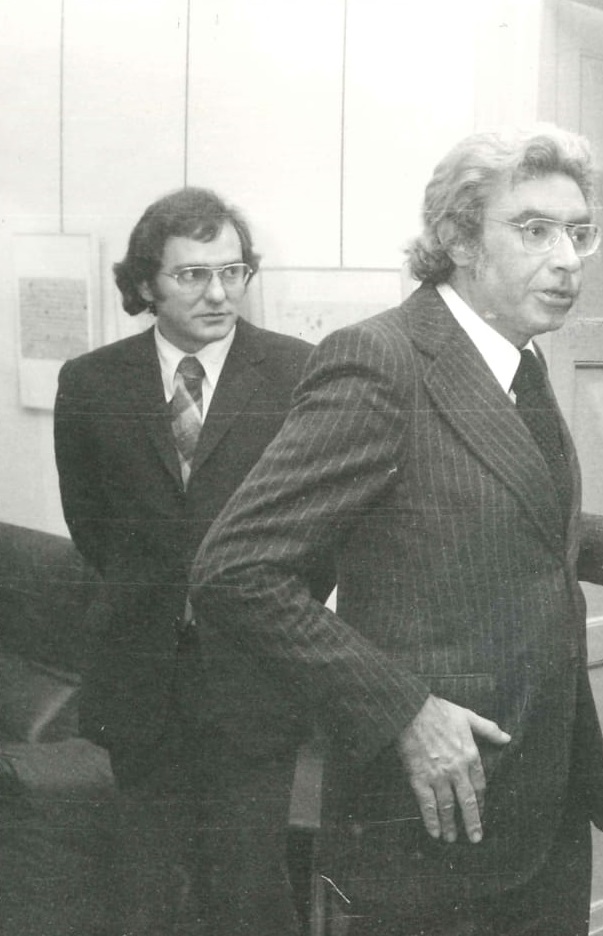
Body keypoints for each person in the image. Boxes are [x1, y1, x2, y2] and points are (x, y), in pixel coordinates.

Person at [190, 125, 603, 936]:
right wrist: (402, 710)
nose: (568, 259)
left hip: (539, 803)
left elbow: (489, 513)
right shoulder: (382, 359)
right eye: (535, 230)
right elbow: (235, 570)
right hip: (430, 818)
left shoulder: (519, 359)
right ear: (459, 240)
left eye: (579, 233)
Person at [53, 187, 318, 935]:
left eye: (233, 272)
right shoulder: (91, 381)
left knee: (249, 895)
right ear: (146, 283)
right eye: (193, 275)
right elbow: (93, 528)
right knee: (146, 896)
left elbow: (318, 535)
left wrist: (259, 608)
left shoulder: (299, 373)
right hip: (139, 682)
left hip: (255, 680)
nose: (219, 293)